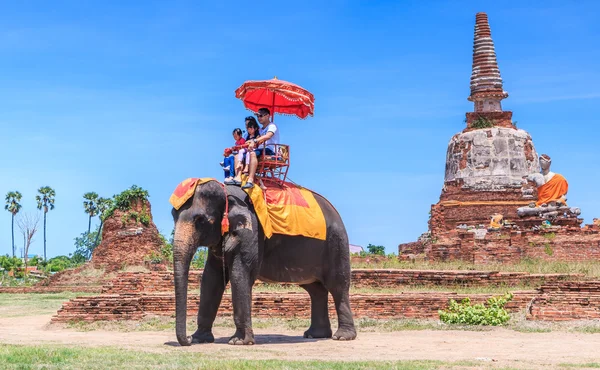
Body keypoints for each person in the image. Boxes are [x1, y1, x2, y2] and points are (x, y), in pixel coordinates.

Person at [236, 108, 279, 189]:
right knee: (239, 155)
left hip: (269, 150)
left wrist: (255, 141)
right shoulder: (260, 130)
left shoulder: (272, 126)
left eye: (261, 116)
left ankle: (250, 180)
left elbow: (268, 136)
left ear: (267, 116)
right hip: (259, 149)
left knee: (252, 153)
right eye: (257, 116)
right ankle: (237, 177)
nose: (259, 118)